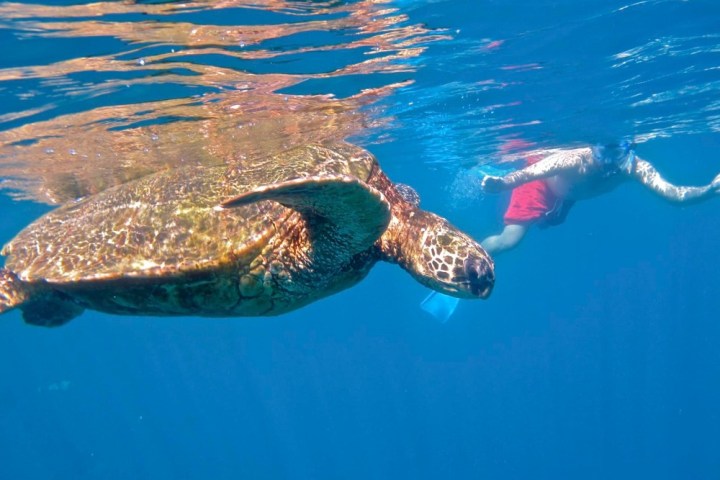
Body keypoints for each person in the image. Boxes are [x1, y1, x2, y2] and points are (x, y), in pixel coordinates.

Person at [421, 140, 720, 321]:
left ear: (629, 150)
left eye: (618, 156)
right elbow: (531, 172)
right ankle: (462, 271)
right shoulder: (572, 159)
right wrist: (502, 183)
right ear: (594, 150)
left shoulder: (634, 168)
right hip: (540, 186)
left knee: (552, 221)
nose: (609, 165)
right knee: (510, 240)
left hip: (566, 196)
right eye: (603, 155)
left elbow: (673, 194)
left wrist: (710, 190)